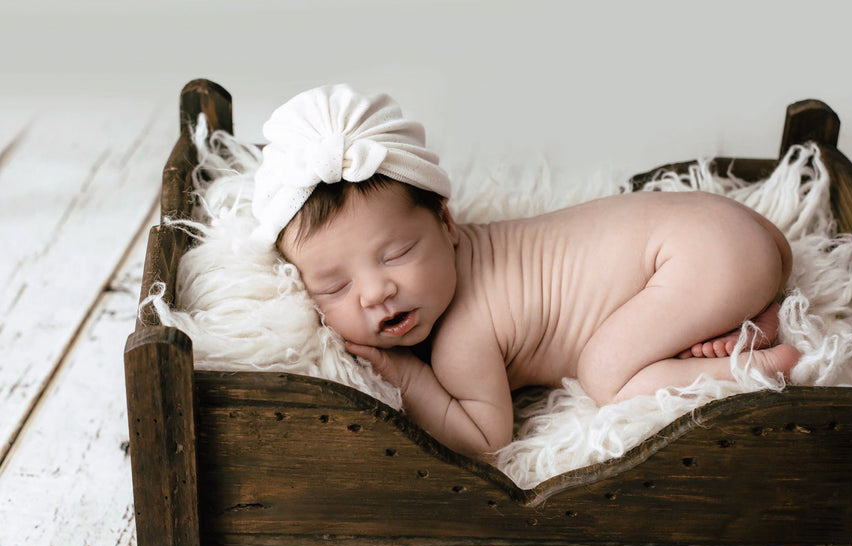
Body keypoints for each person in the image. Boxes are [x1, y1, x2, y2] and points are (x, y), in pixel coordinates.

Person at [252, 84, 800, 463]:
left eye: (397, 254)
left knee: (605, 373)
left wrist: (407, 377)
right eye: (335, 286)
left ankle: (762, 361)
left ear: (447, 221)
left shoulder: (461, 340)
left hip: (699, 254)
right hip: (728, 232)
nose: (377, 291)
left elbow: (487, 439)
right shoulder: (486, 246)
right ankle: (749, 309)